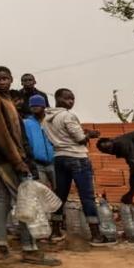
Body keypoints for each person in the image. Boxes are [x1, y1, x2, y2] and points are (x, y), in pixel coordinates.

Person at [0, 66, 60, 266]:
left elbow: (18, 134)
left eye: (5, 78)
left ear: (10, 80)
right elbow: (1, 134)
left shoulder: (8, 100)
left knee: (3, 199)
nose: (1, 82)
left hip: (7, 157)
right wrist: (18, 160)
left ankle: (1, 244)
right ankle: (29, 248)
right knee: (25, 200)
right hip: (5, 158)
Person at [43, 88, 103, 244]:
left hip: (59, 158)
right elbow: (79, 139)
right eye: (67, 98)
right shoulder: (68, 116)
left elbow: (61, 136)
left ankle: (55, 231)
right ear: (58, 98)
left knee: (60, 196)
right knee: (87, 196)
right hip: (77, 158)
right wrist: (90, 135)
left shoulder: (46, 118)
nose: (70, 102)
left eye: (72, 99)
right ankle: (96, 235)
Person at [23, 96, 56, 189]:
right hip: (37, 163)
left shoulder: (51, 121)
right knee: (41, 190)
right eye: (32, 106)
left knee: (59, 189)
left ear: (44, 106)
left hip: (54, 161)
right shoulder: (26, 123)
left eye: (38, 105)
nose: (34, 107)